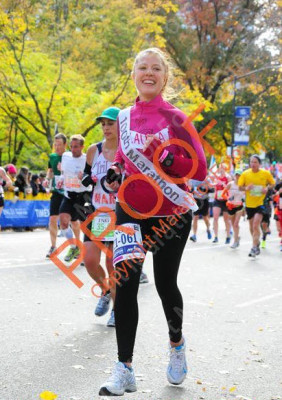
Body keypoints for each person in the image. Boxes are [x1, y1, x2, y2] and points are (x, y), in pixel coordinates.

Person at [98, 47, 207, 396]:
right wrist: (114, 174)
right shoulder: (125, 117)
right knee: (125, 285)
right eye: (142, 67)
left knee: (164, 285)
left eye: (155, 68)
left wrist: (170, 158)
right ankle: (124, 369)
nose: (148, 72)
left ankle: (176, 344)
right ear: (133, 75)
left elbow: (200, 169)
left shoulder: (176, 118)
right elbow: (120, 160)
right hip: (130, 212)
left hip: (171, 214)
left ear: (165, 77)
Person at [82, 106, 120, 327]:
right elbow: (87, 175)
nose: (106, 128)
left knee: (112, 263)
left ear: (120, 125)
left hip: (120, 214)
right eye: (103, 124)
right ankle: (105, 291)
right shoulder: (93, 150)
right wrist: (87, 179)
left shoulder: (126, 151)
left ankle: (117, 309)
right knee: (89, 260)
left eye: (110, 123)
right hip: (98, 213)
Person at [45, 133, 81, 258]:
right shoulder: (52, 157)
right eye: (55, 144)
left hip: (70, 192)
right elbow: (50, 171)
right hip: (57, 191)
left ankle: (77, 246)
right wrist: (47, 180)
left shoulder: (71, 156)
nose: (57, 147)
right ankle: (53, 247)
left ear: (65, 145)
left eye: (59, 144)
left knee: (74, 222)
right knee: (52, 219)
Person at [58, 134, 91, 262]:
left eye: (76, 147)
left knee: (85, 226)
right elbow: (63, 173)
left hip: (83, 196)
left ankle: (87, 252)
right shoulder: (65, 156)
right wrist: (61, 180)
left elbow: (92, 177)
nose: (73, 149)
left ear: (82, 147)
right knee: (64, 221)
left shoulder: (87, 159)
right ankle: (73, 247)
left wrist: (84, 177)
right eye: (71, 146)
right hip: (69, 194)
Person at [238, 155, 275, 257]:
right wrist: (246, 188)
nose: (253, 164)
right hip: (250, 204)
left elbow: (272, 183)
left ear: (259, 164)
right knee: (251, 227)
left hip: (261, 203)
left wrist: (267, 188)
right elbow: (240, 187)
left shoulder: (265, 173)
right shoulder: (245, 174)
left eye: (255, 162)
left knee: (255, 224)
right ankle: (256, 242)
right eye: (251, 162)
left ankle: (254, 248)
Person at [222, 170, 244, 249]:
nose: (238, 176)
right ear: (235, 176)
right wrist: (228, 198)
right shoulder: (230, 184)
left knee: (236, 224)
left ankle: (235, 241)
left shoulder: (242, 185)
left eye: (239, 175)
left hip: (239, 206)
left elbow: (246, 195)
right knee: (233, 224)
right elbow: (223, 194)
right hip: (231, 206)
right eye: (237, 175)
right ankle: (237, 237)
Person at [212, 165, 231, 244]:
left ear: (225, 169)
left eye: (223, 168)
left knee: (226, 219)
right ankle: (216, 236)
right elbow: (214, 187)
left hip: (225, 200)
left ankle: (228, 236)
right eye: (220, 168)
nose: (221, 170)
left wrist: (224, 185)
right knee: (215, 217)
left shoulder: (228, 177)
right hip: (217, 199)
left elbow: (230, 187)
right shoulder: (216, 177)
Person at [189, 178, 213, 242]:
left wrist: (207, 188)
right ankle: (194, 235)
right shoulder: (193, 180)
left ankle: (208, 229)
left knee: (205, 217)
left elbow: (212, 189)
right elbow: (189, 189)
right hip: (196, 201)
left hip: (204, 200)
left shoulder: (207, 179)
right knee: (195, 217)